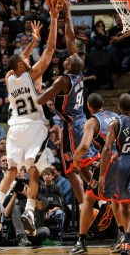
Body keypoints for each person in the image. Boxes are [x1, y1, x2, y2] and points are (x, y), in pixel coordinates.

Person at [0, 0, 62, 235]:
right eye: (26, 60)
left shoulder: (9, 78)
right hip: (33, 127)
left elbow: (16, 60)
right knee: (34, 171)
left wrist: (32, 41)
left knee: (11, 170)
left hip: (14, 129)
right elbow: (50, 51)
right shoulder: (35, 75)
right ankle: (30, 210)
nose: (28, 58)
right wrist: (52, 20)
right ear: (23, 65)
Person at [37, 0, 99, 206]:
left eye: (67, 60)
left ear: (70, 66)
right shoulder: (78, 74)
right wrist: (68, 13)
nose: (65, 58)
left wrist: (35, 90)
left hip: (71, 126)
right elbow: (71, 38)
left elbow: (41, 99)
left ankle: (88, 203)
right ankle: (96, 199)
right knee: (77, 166)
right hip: (79, 121)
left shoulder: (63, 80)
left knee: (72, 168)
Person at [69, 93, 120, 254]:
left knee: (88, 198)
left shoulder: (91, 121)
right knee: (118, 199)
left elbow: (84, 146)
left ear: (89, 107)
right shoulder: (115, 116)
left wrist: (75, 159)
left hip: (109, 161)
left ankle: (81, 241)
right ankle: (123, 237)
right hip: (122, 159)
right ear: (103, 103)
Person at [99, 93, 130, 255]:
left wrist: (102, 174)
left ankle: (126, 237)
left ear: (119, 108)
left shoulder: (115, 123)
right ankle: (127, 238)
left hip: (122, 165)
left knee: (123, 204)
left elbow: (106, 148)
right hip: (124, 160)